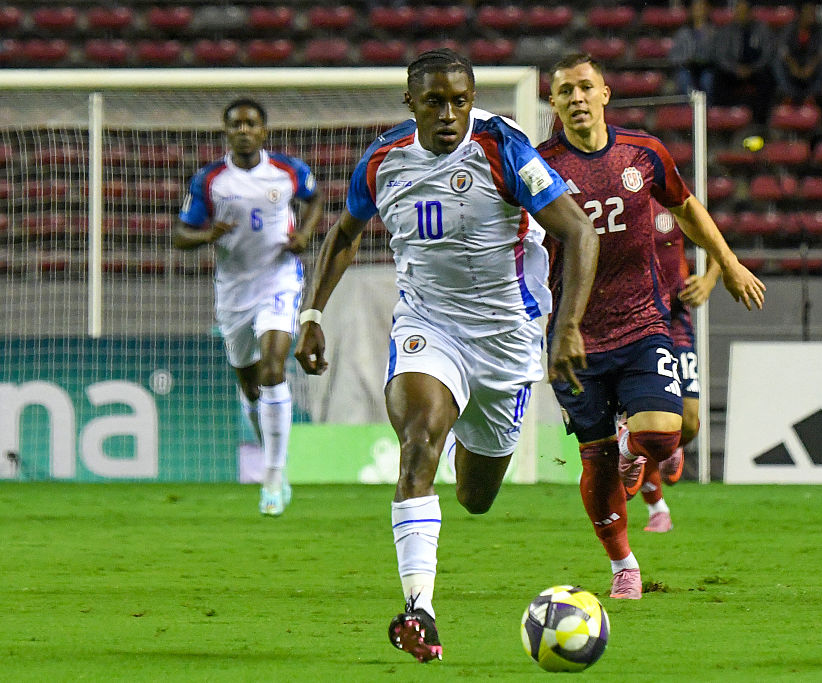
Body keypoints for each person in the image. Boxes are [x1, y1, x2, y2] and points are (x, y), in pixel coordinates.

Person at [293, 49, 598, 663]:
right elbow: (344, 233)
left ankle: (458, 434)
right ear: (411, 103)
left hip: (507, 338)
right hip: (428, 325)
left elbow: (579, 231)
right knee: (417, 444)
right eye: (434, 102)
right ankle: (419, 610)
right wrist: (312, 314)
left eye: (460, 101)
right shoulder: (383, 160)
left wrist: (567, 326)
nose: (449, 114)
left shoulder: (502, 147)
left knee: (475, 497)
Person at [539, 53, 764, 599]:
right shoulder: (539, 166)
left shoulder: (643, 153)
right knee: (594, 459)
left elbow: (686, 208)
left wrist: (728, 264)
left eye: (585, 87)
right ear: (554, 102)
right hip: (574, 334)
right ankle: (624, 565)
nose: (576, 97)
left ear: (605, 94)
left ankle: (631, 446)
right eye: (565, 90)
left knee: (666, 432)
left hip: (643, 322)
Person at [173, 98, 324, 517]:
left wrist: (304, 235)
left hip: (279, 279)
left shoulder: (288, 171)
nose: (243, 131)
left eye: (251, 124)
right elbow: (180, 235)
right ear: (226, 132)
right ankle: (272, 457)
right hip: (234, 291)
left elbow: (314, 200)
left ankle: (272, 476)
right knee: (251, 386)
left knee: (274, 369)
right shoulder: (210, 181)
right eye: (236, 125)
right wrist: (207, 235)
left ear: (263, 131)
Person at [633, 211, 721, 533]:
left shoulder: (671, 203)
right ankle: (657, 507)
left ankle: (675, 445)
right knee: (642, 426)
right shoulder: (616, 202)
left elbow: (715, 240)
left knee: (688, 421)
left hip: (675, 319)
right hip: (634, 323)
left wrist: (708, 279)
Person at [713, 0, 776, 125]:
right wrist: (735, 68)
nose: (742, 15)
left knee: (767, 78)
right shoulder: (727, 31)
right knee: (718, 78)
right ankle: (724, 118)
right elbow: (721, 56)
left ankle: (760, 122)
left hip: (755, 70)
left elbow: (768, 54)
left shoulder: (762, 29)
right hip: (733, 70)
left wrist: (752, 69)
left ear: (750, 13)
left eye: (744, 11)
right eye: (739, 11)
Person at [772, 2, 822, 105]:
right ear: (800, 14)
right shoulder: (790, 28)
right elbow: (782, 49)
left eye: (813, 13)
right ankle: (789, 94)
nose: (812, 15)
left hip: (812, 65)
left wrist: (811, 66)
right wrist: (793, 65)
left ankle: (812, 95)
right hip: (794, 63)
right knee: (777, 61)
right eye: (809, 12)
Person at [669, 0, 718, 101]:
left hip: (707, 68)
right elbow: (673, 56)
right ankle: (688, 108)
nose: (699, 10)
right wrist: (685, 60)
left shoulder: (714, 32)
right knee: (683, 78)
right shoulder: (682, 32)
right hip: (687, 68)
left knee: (708, 80)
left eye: (701, 7)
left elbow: (718, 54)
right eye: (696, 7)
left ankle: (707, 107)